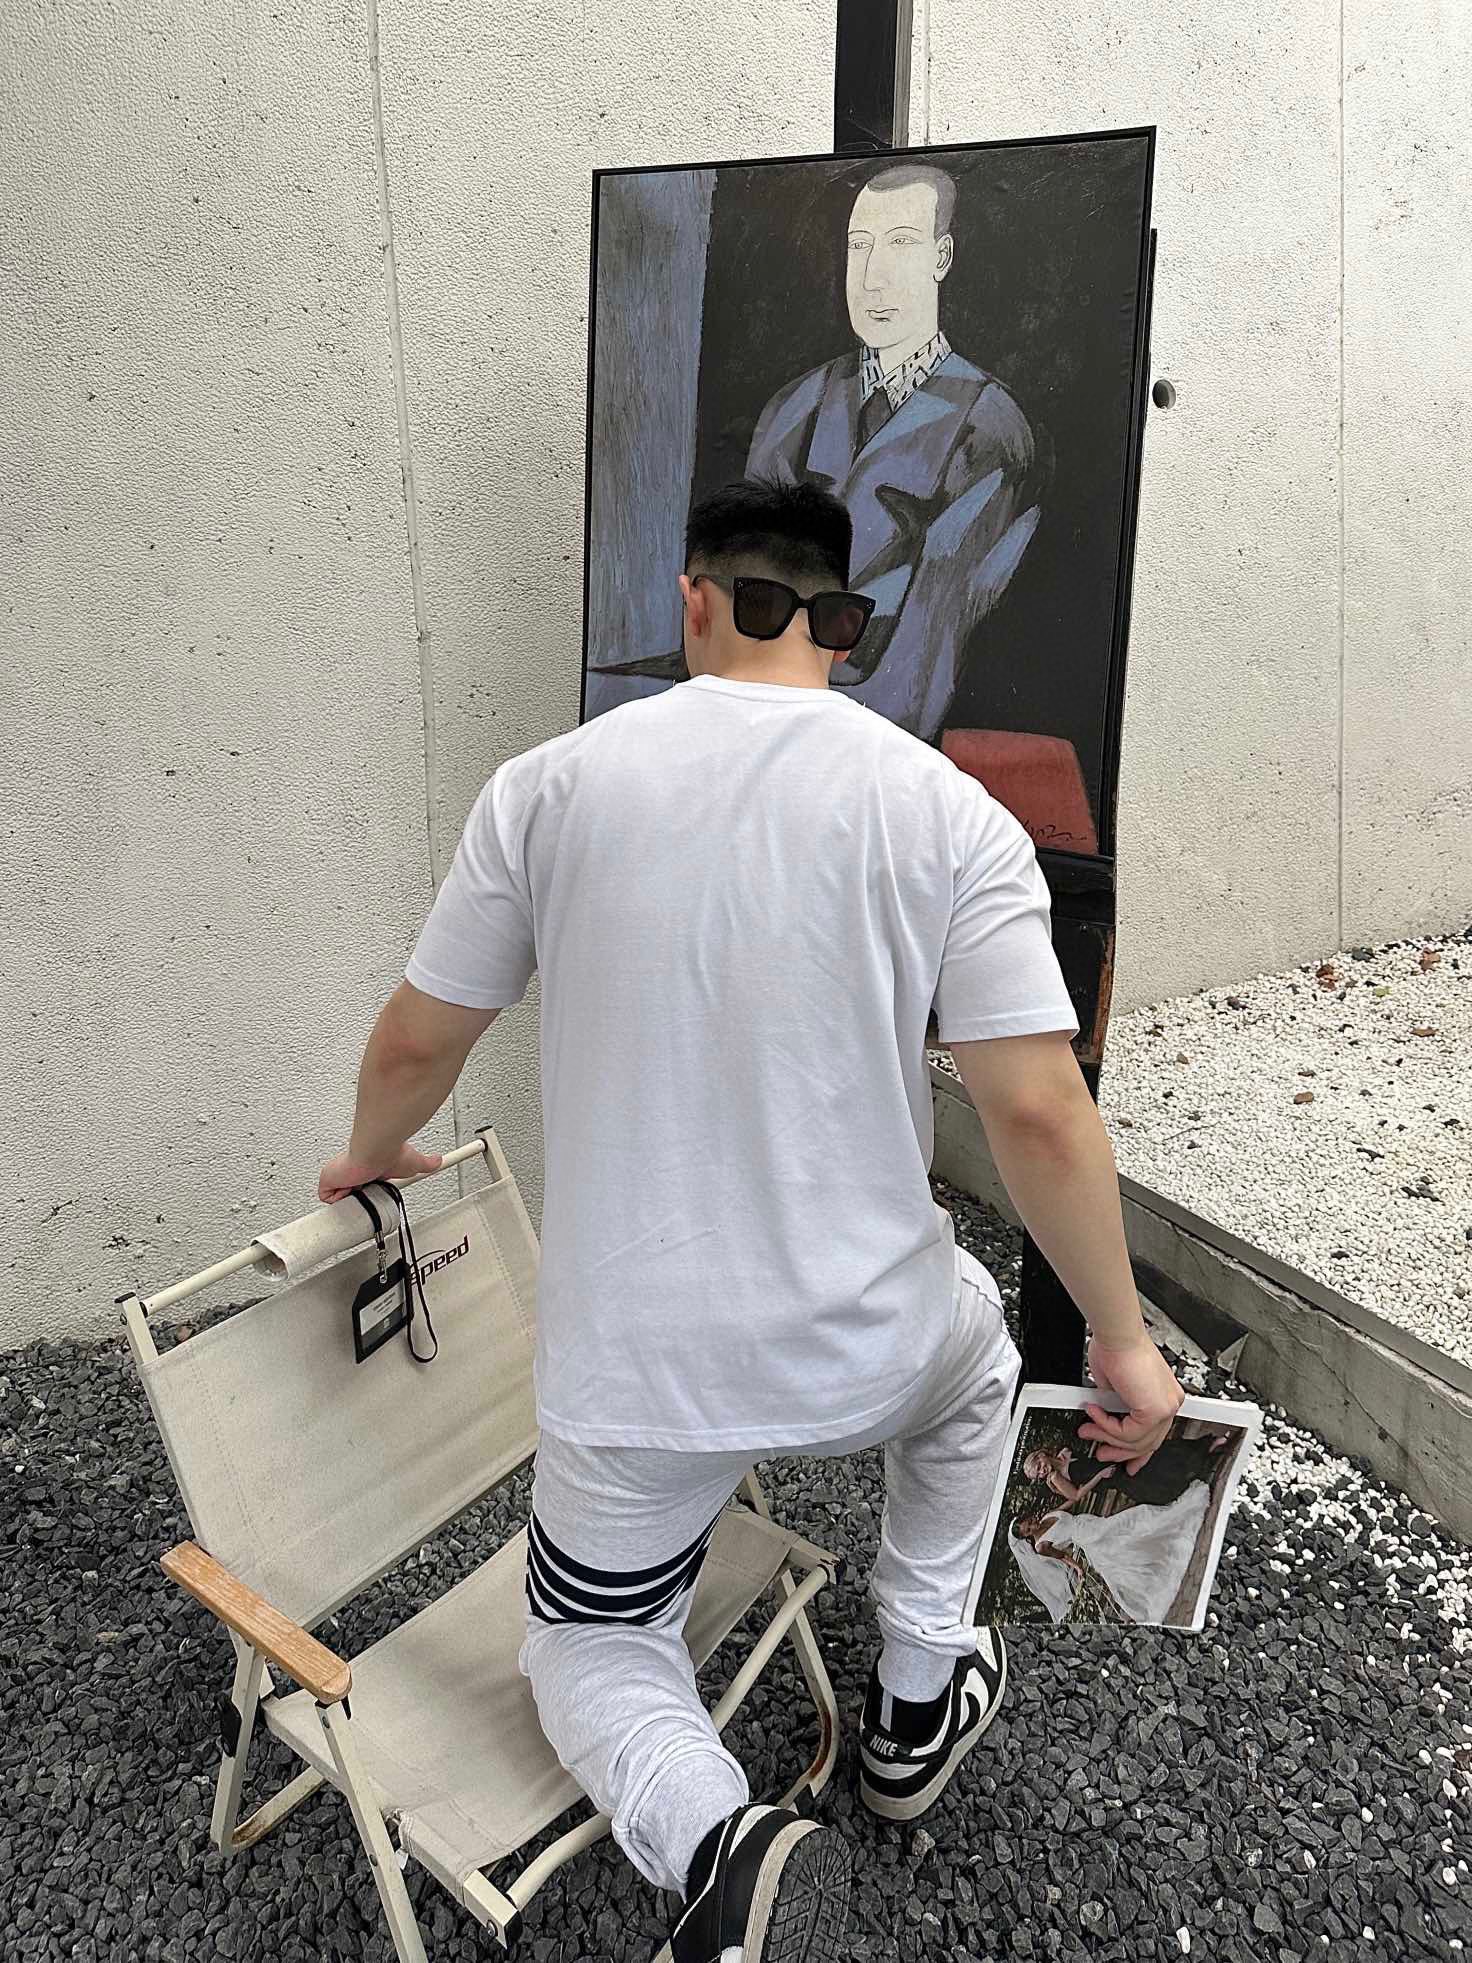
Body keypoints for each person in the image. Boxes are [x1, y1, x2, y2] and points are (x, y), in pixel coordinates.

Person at [317, 478, 1184, 1963]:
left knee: (589, 1643)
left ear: (694, 600)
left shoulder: (547, 789)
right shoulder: (948, 813)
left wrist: (369, 1154)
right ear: (846, 625)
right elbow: (1040, 1112)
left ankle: (723, 1849)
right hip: (872, 1341)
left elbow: (419, 1035)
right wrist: (1121, 1337)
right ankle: (917, 1697)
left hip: (638, 1376)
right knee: (976, 1358)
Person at [1020, 1480, 1214, 1626]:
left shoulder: (1047, 1516)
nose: (1032, 1525)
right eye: (1028, 1529)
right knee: (1126, 1542)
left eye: (1028, 1522)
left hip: (1092, 1523)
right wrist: (1078, 1568)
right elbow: (1062, 1556)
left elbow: (1072, 1500)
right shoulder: (1041, 1546)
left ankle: (1168, 1538)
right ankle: (1155, 1579)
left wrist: (1060, 1486)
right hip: (1089, 1539)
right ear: (1026, 1536)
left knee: (1133, 1528)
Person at [1024, 1425, 1231, 1508]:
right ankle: (1205, 1459)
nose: (1042, 1472)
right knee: (1158, 1477)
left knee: (1160, 1453)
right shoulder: (1056, 1478)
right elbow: (1076, 1496)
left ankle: (1207, 1446)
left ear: (1042, 1455)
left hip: (1114, 1463)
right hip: (1114, 1477)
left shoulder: (1064, 1453)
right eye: (1038, 1474)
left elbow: (1088, 1458)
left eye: (1039, 1466)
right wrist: (1100, 1476)